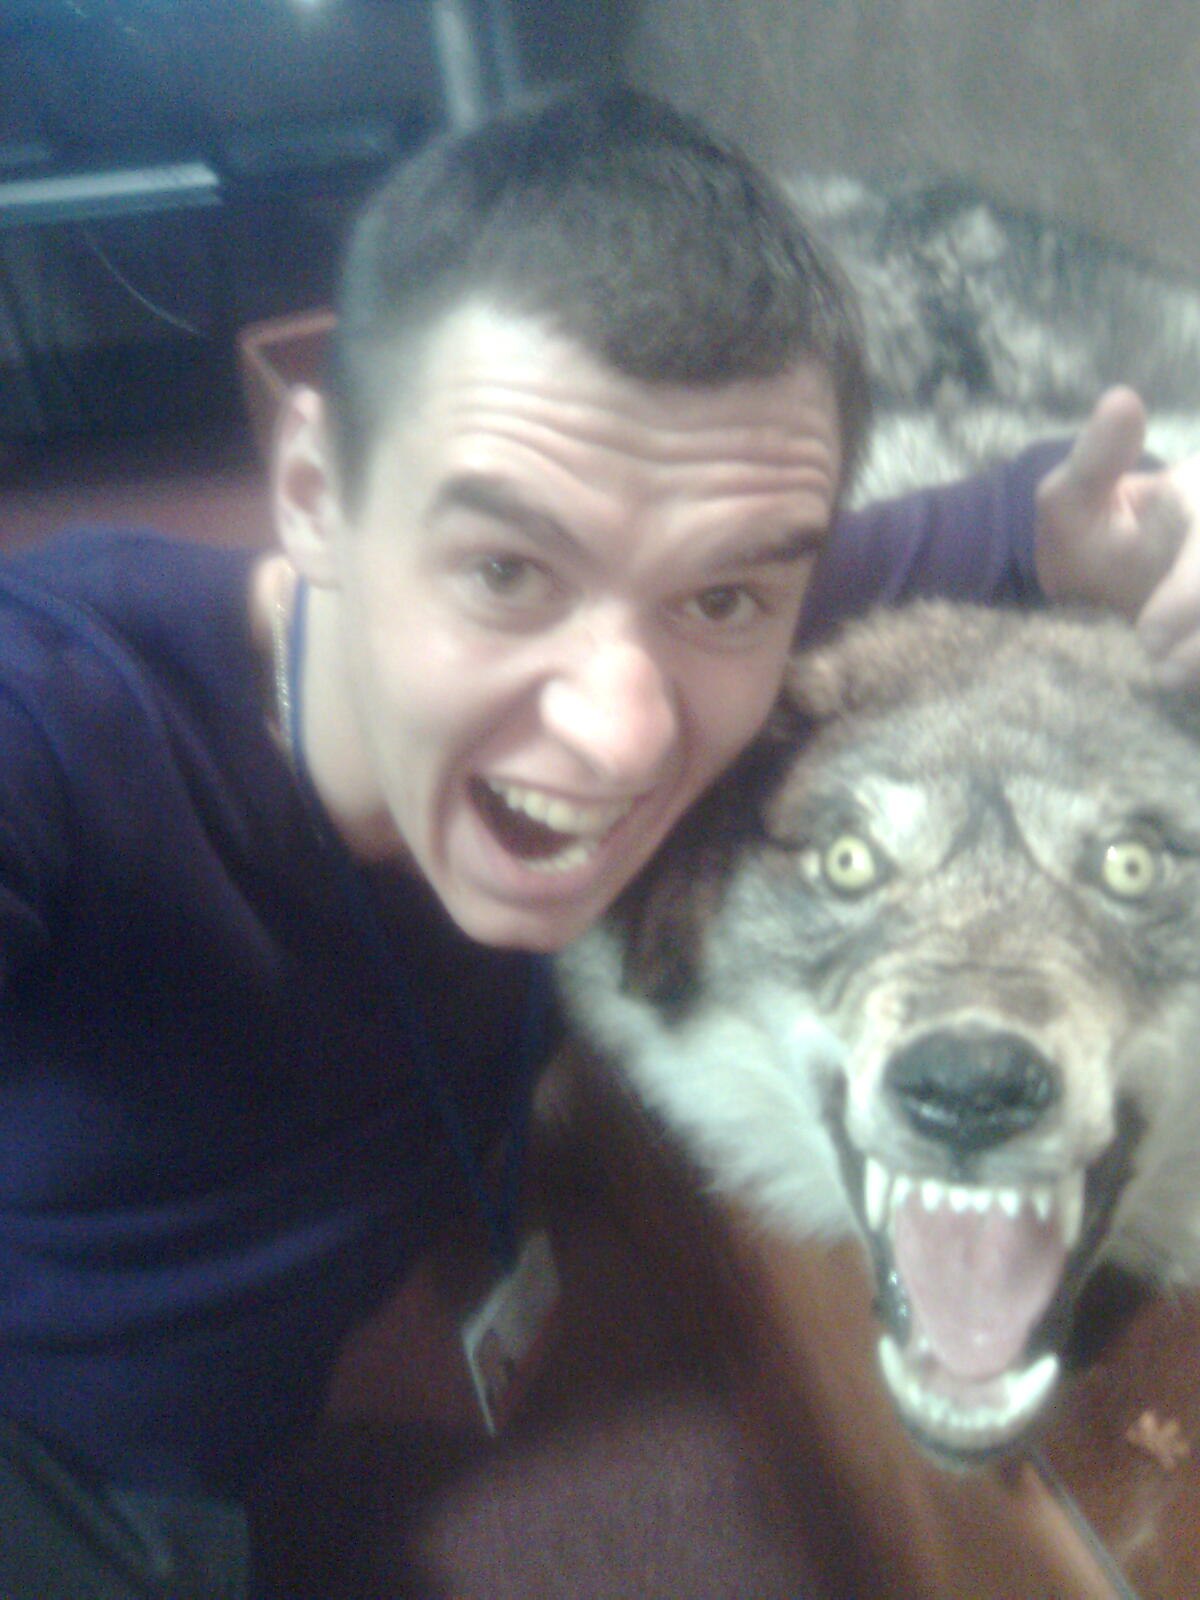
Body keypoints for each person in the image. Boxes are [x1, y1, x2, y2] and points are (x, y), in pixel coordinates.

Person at [1, 84, 1199, 1599]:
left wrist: (1099, 532)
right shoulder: (52, 732)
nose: (625, 737)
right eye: (508, 570)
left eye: (722, 596)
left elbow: (986, 530)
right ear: (312, 491)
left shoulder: (713, 644)